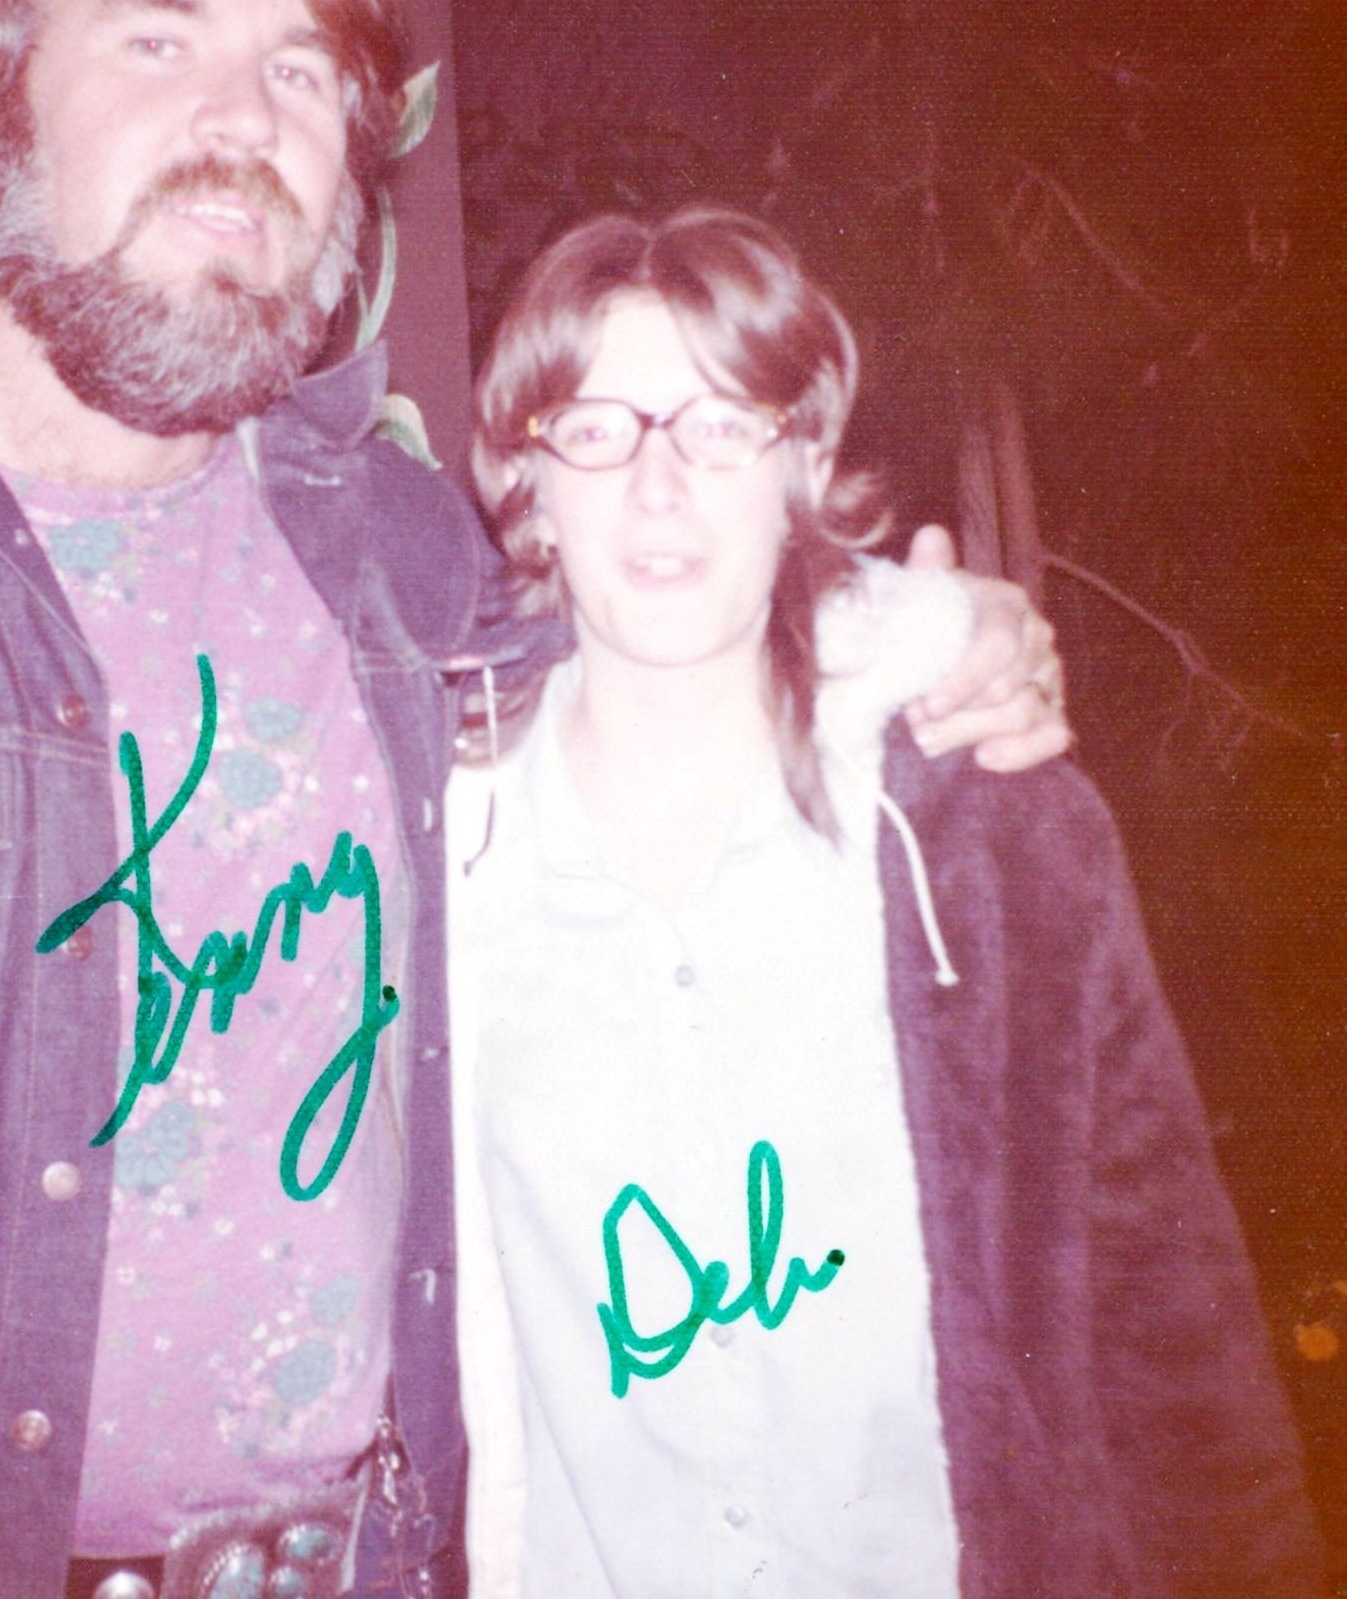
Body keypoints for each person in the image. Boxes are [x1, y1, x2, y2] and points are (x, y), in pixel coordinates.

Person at [0, 0, 1063, 1599]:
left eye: (302, 70)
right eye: (159, 37)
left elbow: (681, 666)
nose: (243, 122)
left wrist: (930, 640)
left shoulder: (399, 549)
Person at [447, 207, 1321, 1596]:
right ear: (525, 478)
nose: (659, 485)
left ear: (801, 462)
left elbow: (1171, 1323)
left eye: (719, 424)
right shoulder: (435, 862)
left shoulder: (991, 827)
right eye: (597, 429)